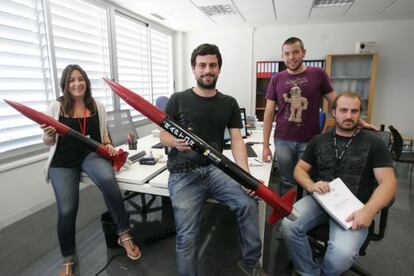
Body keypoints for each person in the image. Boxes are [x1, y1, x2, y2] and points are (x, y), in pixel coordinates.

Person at [160, 44, 266, 276]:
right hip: (183, 174)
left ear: (219, 69)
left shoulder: (228, 102)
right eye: (202, 65)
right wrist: (174, 142)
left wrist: (245, 178)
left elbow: (237, 141)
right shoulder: (177, 99)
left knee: (248, 204)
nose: (207, 70)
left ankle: (249, 263)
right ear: (193, 68)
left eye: (212, 65)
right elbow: (163, 133)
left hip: (215, 169)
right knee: (187, 236)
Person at [281, 92, 397, 276]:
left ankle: (326, 272)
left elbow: (389, 183)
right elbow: (299, 170)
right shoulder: (318, 140)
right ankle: (309, 272)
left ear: (360, 114)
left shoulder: (374, 143)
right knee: (288, 225)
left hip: (354, 208)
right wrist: (310, 185)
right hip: (320, 200)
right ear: (333, 112)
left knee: (341, 256)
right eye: (343, 110)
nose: (349, 116)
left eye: (354, 111)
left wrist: (368, 210)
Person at [41, 64, 141, 276]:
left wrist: (110, 146)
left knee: (108, 181)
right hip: (63, 160)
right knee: (67, 209)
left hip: (90, 155)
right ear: (65, 85)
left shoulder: (97, 105)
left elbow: (103, 136)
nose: (77, 84)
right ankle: (68, 257)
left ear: (86, 82)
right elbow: (48, 142)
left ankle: (124, 234)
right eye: (71, 80)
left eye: (81, 79)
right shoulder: (55, 106)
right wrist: (48, 133)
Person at [262, 37, 376, 195]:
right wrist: (265, 145)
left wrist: (361, 123)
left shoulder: (318, 74)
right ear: (282, 56)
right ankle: (287, 214)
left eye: (295, 52)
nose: (291, 57)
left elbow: (337, 103)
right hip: (283, 139)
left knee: (310, 181)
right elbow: (268, 113)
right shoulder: (276, 79)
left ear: (304, 52)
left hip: (310, 141)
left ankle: (307, 213)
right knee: (286, 180)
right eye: (287, 53)